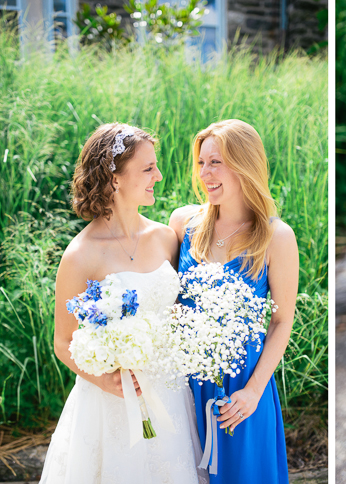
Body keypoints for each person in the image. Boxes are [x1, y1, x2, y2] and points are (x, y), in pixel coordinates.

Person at [41, 123, 206, 483]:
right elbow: (62, 341)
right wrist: (104, 380)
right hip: (112, 401)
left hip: (170, 391)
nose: (158, 176)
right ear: (114, 177)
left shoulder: (166, 238)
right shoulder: (80, 255)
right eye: (148, 169)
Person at [168, 119, 298, 483]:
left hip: (241, 387)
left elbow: (282, 320)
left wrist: (253, 392)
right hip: (184, 381)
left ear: (244, 165)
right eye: (201, 163)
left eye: (216, 162)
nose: (205, 173)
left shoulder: (276, 237)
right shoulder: (183, 223)